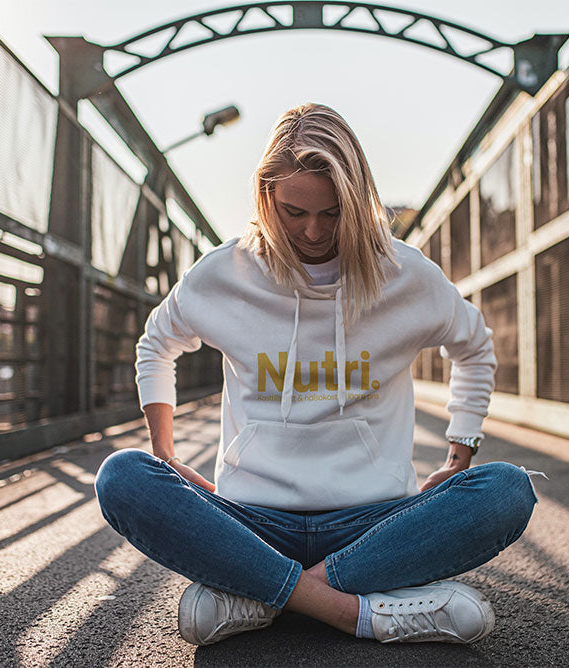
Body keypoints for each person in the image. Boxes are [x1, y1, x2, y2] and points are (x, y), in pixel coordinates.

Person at [95, 102, 538, 646]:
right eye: (292, 211)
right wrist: (164, 450)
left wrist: (460, 450)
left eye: (331, 213)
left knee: (507, 491)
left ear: (356, 198)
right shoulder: (224, 273)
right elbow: (156, 342)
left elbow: (474, 346)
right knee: (124, 478)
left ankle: (259, 593)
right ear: (265, 198)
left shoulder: (404, 275)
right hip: (251, 520)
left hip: (373, 521)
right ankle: (360, 613)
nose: (311, 231)